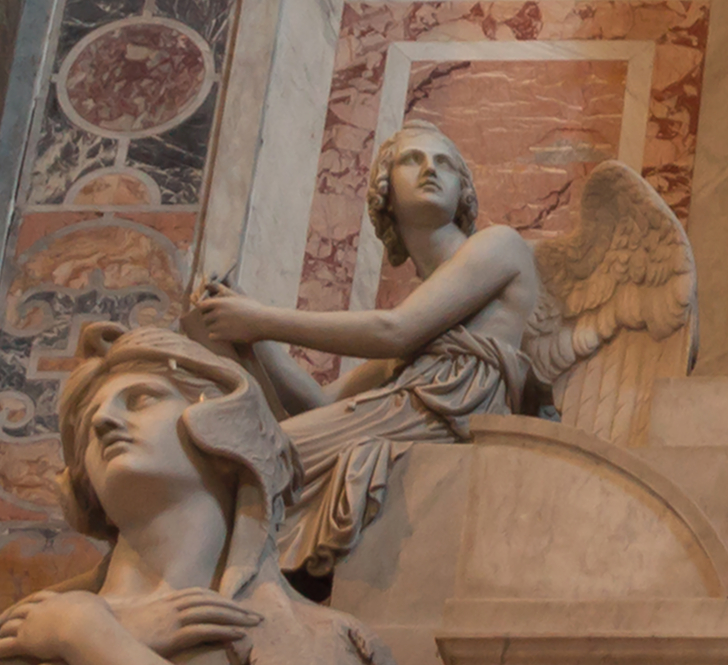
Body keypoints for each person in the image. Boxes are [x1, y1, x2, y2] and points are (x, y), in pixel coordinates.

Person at [0, 326, 399, 665]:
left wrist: (91, 638)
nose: (103, 423)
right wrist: (114, 633)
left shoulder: (319, 643)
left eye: (139, 400)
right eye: (92, 417)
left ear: (225, 435)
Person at [184, 123, 548, 573]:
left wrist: (261, 320)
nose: (430, 168)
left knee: (247, 458)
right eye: (412, 159)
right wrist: (251, 339)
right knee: (237, 455)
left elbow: (394, 329)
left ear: (463, 193)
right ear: (385, 193)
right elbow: (321, 402)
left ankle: (229, 591)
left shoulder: (500, 246)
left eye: (446, 163)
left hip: (437, 417)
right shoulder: (427, 324)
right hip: (405, 411)